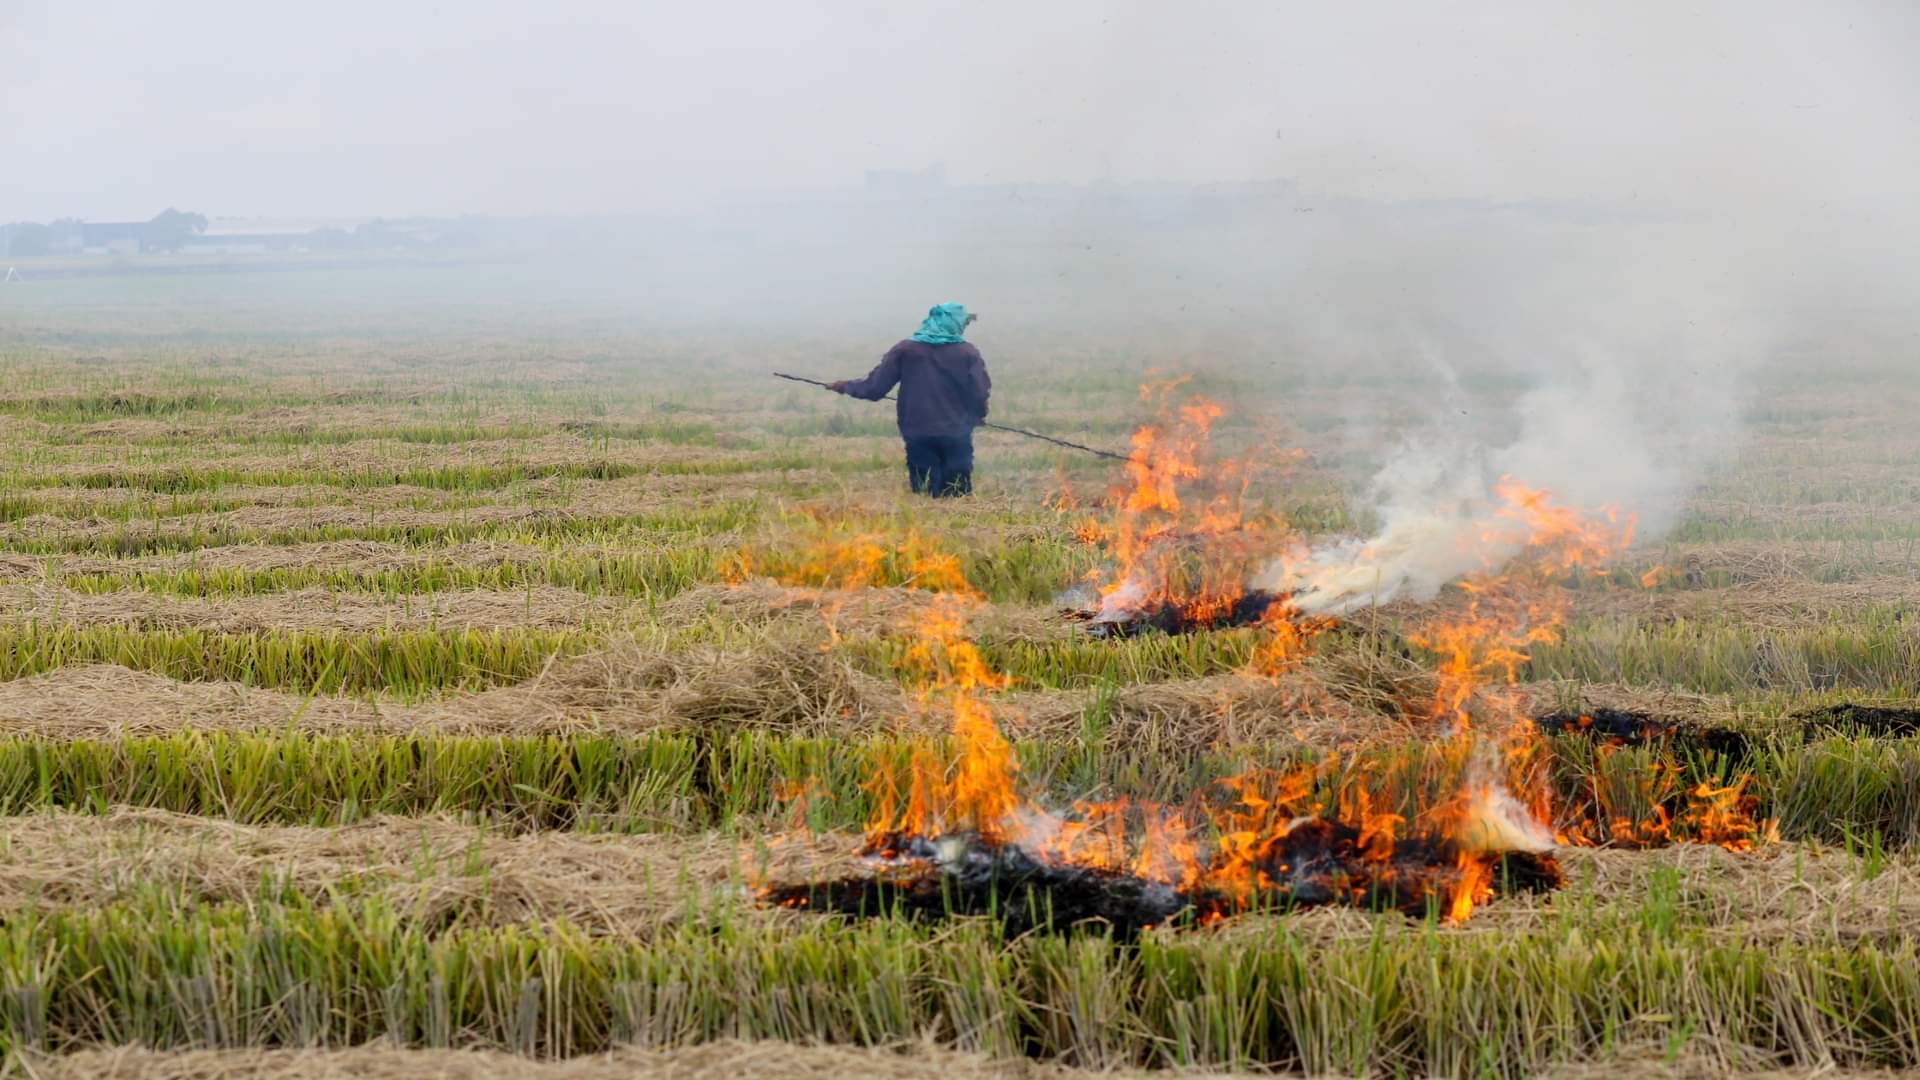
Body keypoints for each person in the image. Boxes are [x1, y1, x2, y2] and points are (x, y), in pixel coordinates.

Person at [830, 302, 991, 497]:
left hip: (917, 430)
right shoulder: (967, 352)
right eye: (963, 322)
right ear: (953, 323)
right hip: (957, 431)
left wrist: (846, 386)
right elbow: (979, 392)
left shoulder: (906, 350)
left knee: (925, 492)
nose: (964, 327)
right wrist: (978, 415)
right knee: (956, 491)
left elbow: (875, 389)